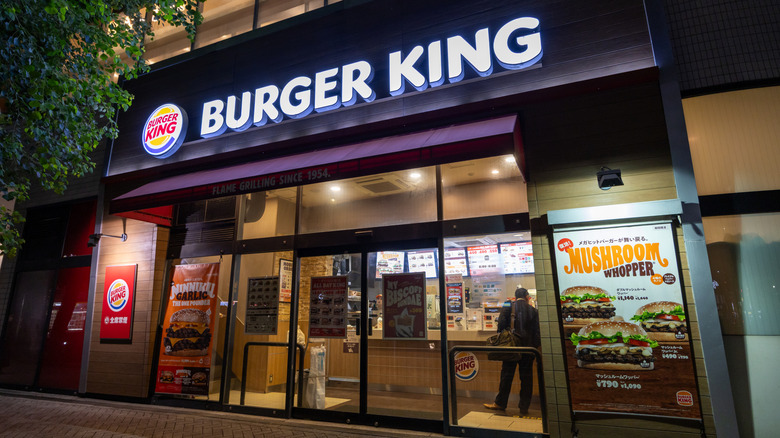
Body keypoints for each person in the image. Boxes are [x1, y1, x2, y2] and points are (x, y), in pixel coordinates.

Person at [483, 287, 541, 416]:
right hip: (528, 349)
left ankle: (500, 403)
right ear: (527, 297)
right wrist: (534, 347)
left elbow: (501, 325)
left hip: (511, 347)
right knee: (526, 379)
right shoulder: (534, 311)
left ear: (515, 297)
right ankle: (524, 408)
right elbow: (538, 332)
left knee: (506, 376)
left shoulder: (508, 305)